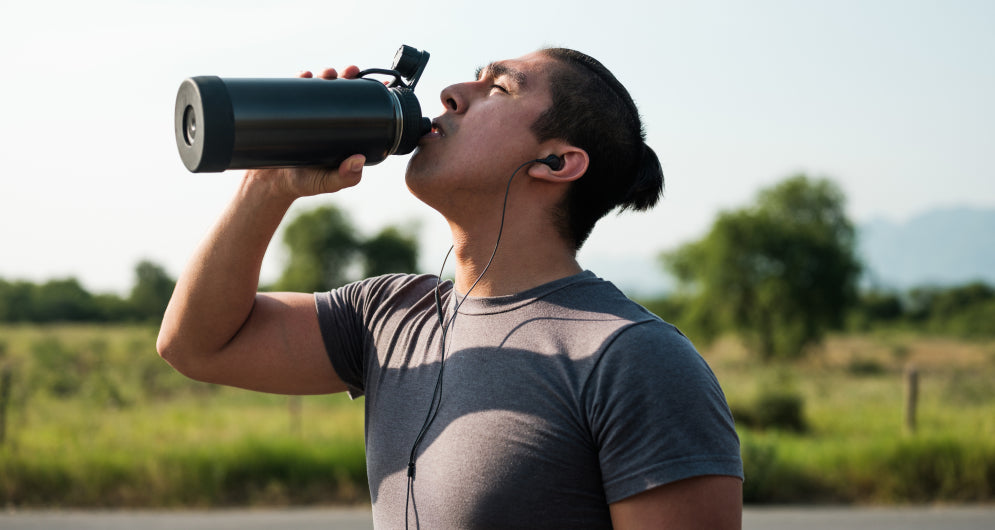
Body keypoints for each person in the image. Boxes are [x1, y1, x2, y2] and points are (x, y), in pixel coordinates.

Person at [158, 47, 744, 528]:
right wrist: (269, 184)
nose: (451, 93)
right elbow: (196, 345)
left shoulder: (635, 358)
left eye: (500, 89)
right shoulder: (387, 316)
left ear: (557, 162)